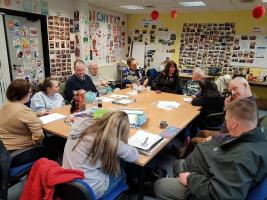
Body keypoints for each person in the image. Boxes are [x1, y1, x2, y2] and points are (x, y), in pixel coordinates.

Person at [154, 98, 267, 200]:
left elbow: (220, 195)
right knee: (178, 164)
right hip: (206, 169)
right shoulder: (250, 134)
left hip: (204, 185)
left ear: (233, 123)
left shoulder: (241, 157)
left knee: (160, 186)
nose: (225, 123)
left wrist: (190, 179)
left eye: (226, 119)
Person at [62, 111, 139, 198]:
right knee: (122, 172)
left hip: (67, 182)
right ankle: (128, 194)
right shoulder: (110, 141)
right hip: (90, 190)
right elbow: (134, 156)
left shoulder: (81, 123)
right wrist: (123, 142)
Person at [0, 79, 44, 151]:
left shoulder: (6, 104)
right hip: (19, 150)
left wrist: (37, 113)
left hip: (4, 146)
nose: (31, 94)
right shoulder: (24, 110)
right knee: (51, 148)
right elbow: (38, 135)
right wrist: (35, 144)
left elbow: (17, 116)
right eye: (30, 92)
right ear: (23, 94)